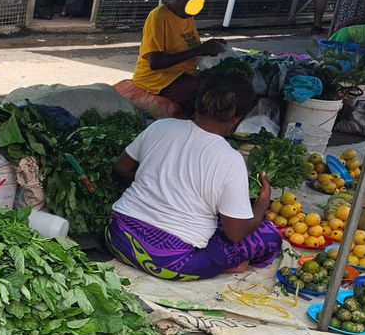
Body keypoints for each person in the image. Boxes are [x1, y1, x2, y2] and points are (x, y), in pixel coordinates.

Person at [107, 74, 281, 281]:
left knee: (218, 218)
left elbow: (120, 168)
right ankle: (228, 264)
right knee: (268, 235)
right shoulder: (230, 159)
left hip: (117, 237)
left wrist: (158, 179)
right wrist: (261, 205)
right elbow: (236, 233)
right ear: (238, 119)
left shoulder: (160, 126)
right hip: (166, 262)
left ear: (198, 102)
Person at [131, 0, 225, 117]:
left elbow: (189, 47)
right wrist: (200, 50)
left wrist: (212, 46)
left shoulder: (187, 16)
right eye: (196, 1)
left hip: (185, 75)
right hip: (157, 80)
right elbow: (155, 62)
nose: (200, 5)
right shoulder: (159, 16)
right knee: (209, 96)